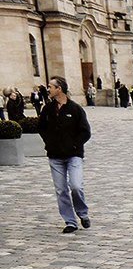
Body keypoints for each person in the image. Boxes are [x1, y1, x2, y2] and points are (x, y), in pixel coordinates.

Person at [39, 77, 91, 233]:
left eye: (50, 86)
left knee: (75, 186)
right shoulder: (47, 109)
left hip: (73, 155)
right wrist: (49, 142)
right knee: (61, 190)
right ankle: (70, 221)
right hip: (55, 156)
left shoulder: (75, 109)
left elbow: (86, 132)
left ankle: (83, 213)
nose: (48, 89)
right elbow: (41, 128)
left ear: (59, 88)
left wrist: (75, 144)